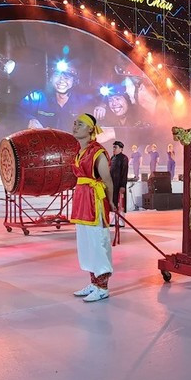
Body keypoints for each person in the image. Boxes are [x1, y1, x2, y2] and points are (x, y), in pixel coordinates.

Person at [70, 113, 116, 302]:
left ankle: (103, 287)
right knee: (86, 243)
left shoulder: (98, 151)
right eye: (74, 123)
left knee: (98, 242)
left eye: (79, 124)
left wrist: (111, 202)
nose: (75, 126)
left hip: (94, 200)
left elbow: (107, 180)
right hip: (81, 199)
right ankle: (94, 282)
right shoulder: (80, 151)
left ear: (90, 129)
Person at [21, 58, 90, 132]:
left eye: (67, 77)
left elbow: (97, 103)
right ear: (51, 78)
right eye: (57, 75)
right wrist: (29, 119)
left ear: (74, 81)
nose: (61, 81)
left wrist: (102, 106)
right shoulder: (37, 98)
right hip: (43, 141)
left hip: (71, 142)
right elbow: (17, 110)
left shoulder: (83, 101)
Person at [109, 140, 129, 228]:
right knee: (113, 202)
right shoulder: (112, 158)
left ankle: (121, 221)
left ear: (121, 149)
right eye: (113, 147)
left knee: (121, 203)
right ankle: (113, 220)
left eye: (115, 147)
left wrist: (122, 185)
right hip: (112, 184)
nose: (113, 149)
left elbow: (124, 173)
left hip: (119, 184)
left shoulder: (124, 158)